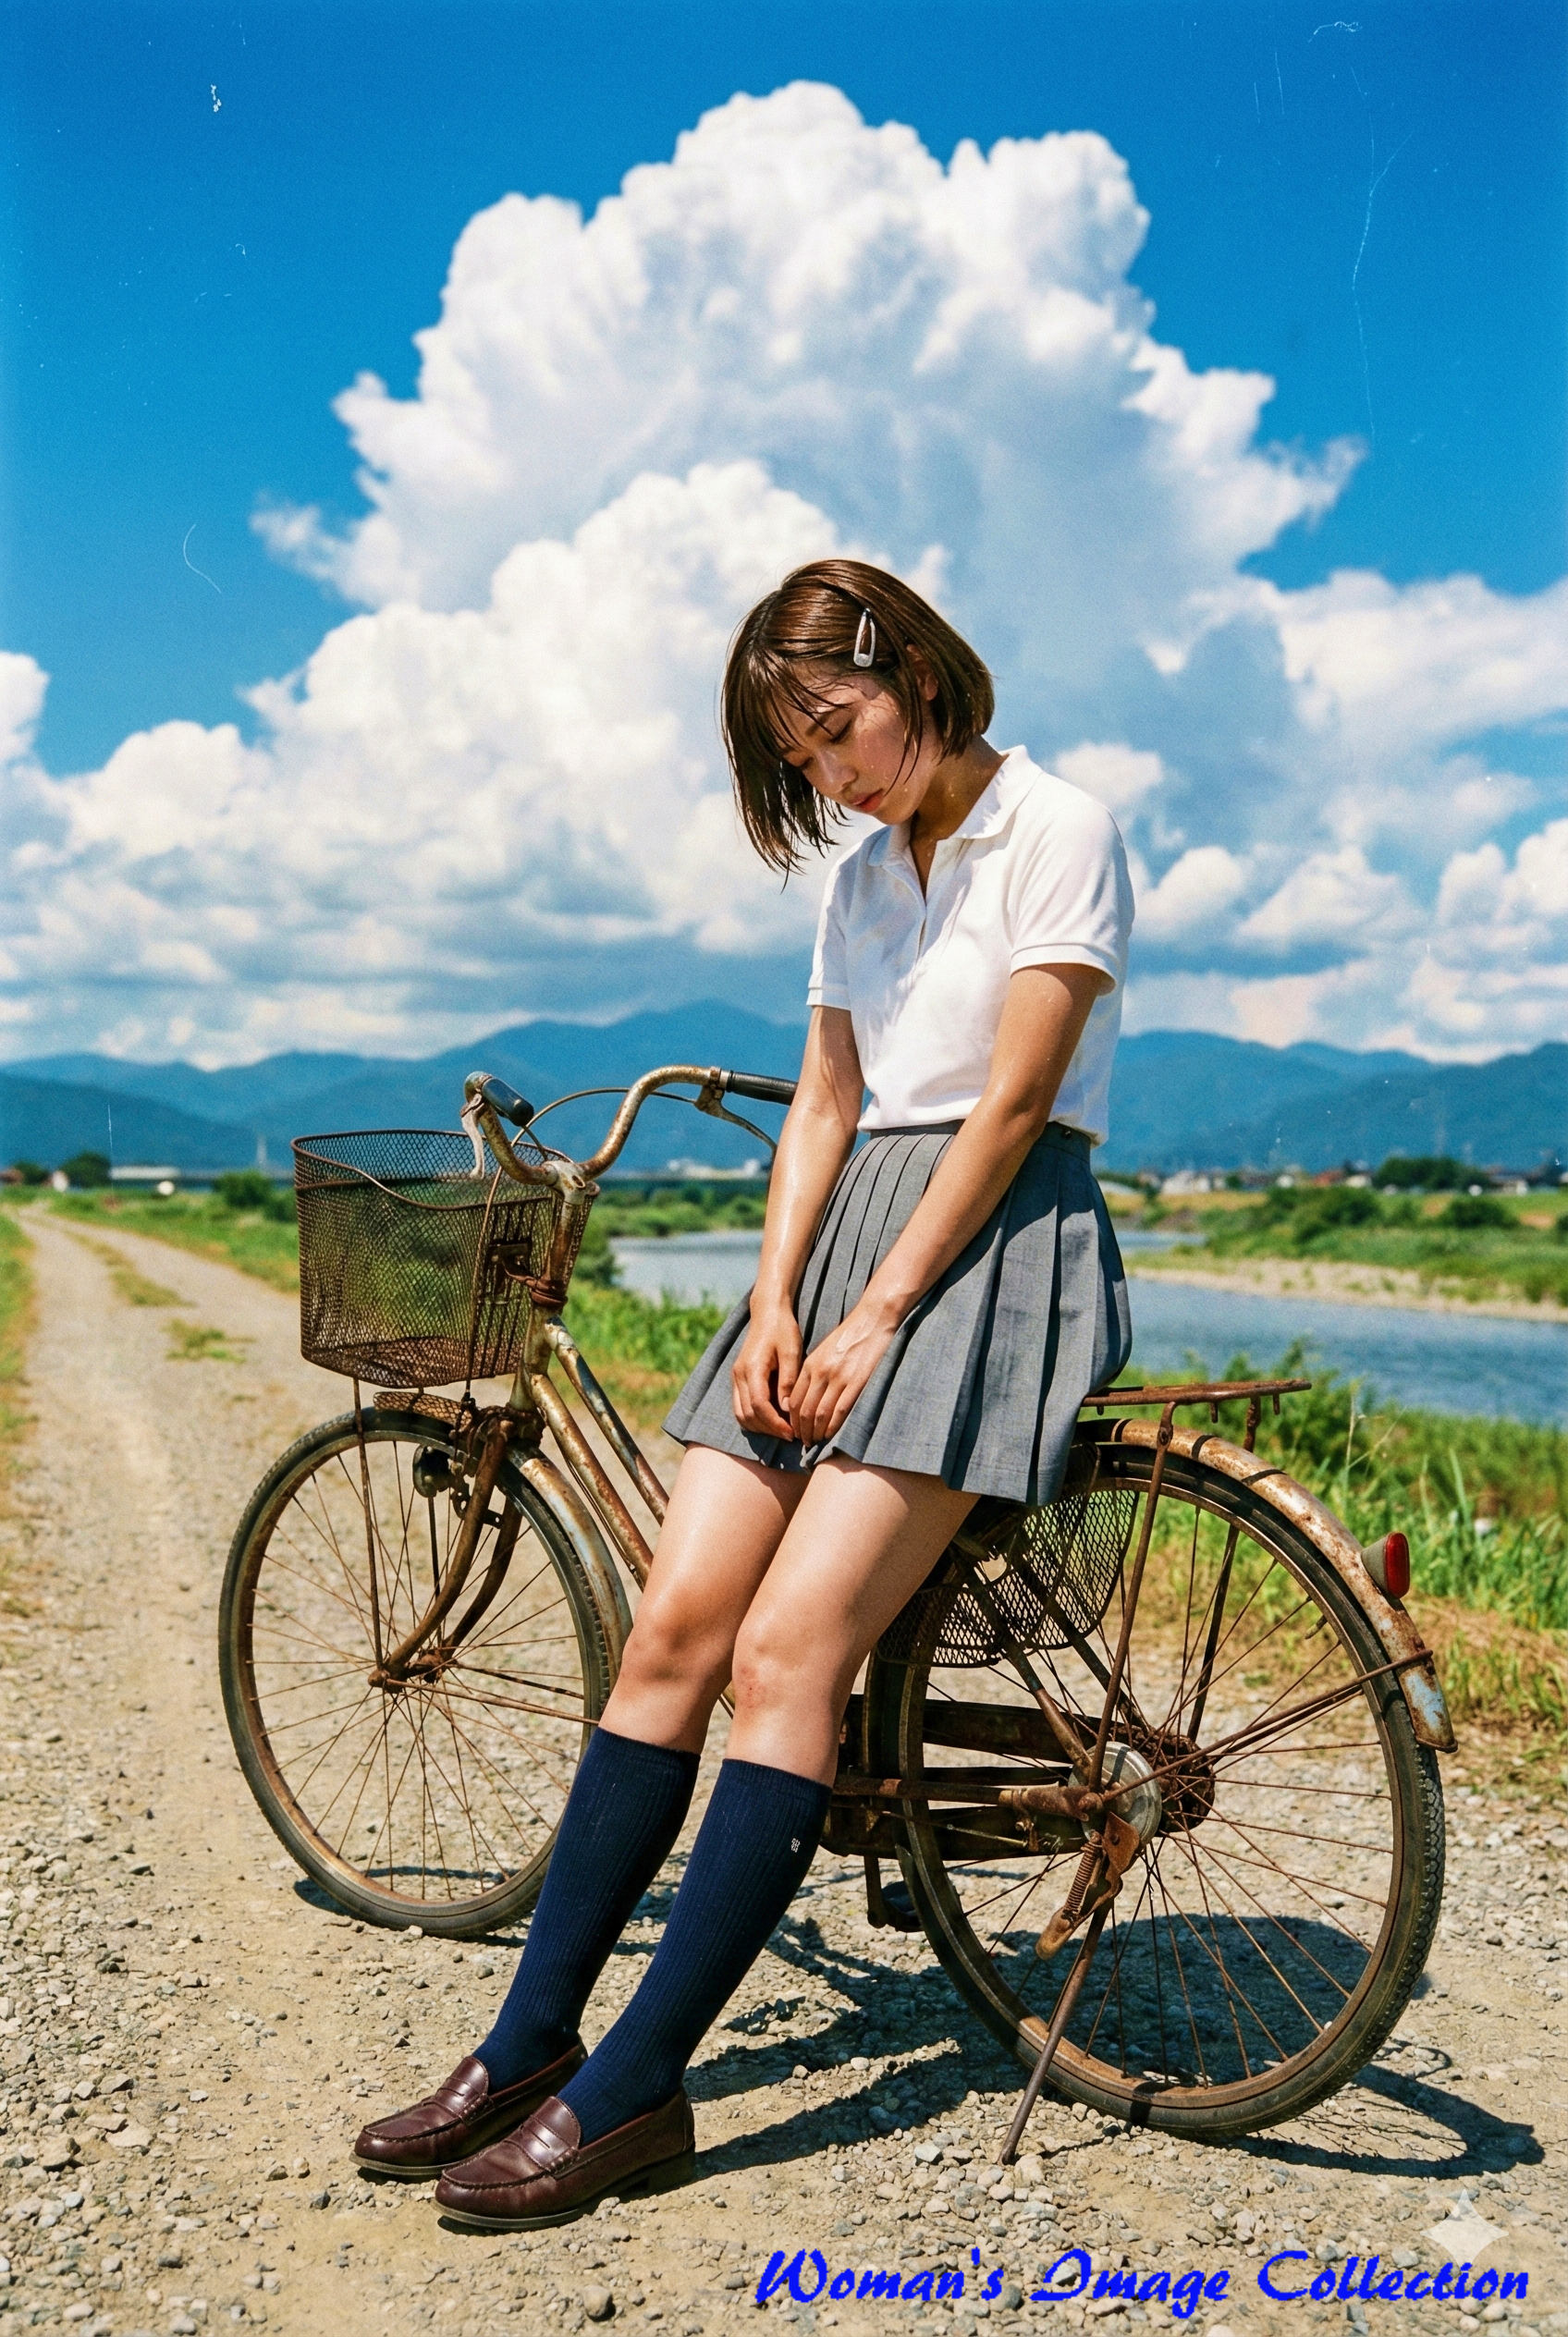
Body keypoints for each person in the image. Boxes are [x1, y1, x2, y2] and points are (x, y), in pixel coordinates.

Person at [354, 558, 1134, 2228]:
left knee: (791, 1651)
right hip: (847, 1242)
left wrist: (882, 1310)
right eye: (803, 762)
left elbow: (1007, 1112)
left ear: (912, 669)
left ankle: (637, 2096)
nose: (836, 776)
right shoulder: (858, 877)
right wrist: (781, 1295)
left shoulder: (1058, 824)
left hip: (993, 1249)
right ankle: (527, 2045)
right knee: (673, 1627)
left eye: (841, 732)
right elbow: (826, 1106)